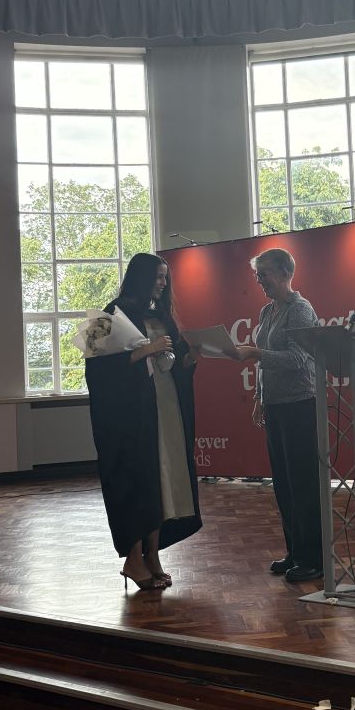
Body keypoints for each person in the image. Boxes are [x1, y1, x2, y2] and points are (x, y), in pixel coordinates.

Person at [85, 252, 202, 591]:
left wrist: (189, 359)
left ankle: (153, 554)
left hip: (164, 412)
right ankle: (133, 557)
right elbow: (95, 368)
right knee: (139, 479)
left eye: (166, 278)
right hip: (130, 418)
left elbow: (174, 363)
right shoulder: (109, 313)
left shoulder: (162, 315)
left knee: (162, 479)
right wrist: (145, 350)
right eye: (159, 277)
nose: (164, 284)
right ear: (141, 277)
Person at [225, 249, 323, 583]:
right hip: (276, 405)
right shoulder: (267, 311)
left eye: (263, 273)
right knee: (283, 483)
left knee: (303, 484)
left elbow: (297, 359)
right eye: (257, 275)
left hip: (300, 404)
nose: (259, 280)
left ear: (283, 273)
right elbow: (268, 363)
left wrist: (254, 352)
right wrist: (259, 396)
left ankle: (314, 558)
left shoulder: (300, 309)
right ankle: (296, 551)